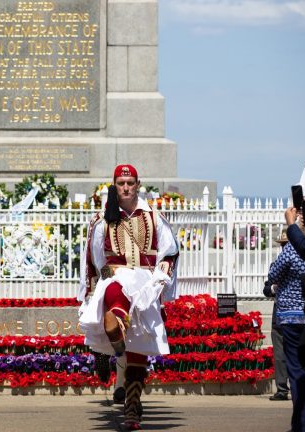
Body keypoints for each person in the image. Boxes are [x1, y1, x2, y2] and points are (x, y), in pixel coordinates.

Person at [78, 164, 179, 430]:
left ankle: (132, 406)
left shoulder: (154, 217)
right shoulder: (102, 220)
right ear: (114, 185)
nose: (126, 187)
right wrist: (92, 290)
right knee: (114, 291)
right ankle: (115, 330)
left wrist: (161, 280)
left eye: (130, 183)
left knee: (139, 350)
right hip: (117, 279)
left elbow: (169, 252)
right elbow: (93, 259)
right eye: (121, 183)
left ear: (138, 184)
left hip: (146, 283)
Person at [268, 233, 305, 432]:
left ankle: (300, 424)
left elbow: (273, 275)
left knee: (298, 372)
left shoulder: (291, 251)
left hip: (291, 316)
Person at [262, 279, 290, 402]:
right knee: (279, 357)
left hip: (299, 319)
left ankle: (299, 388)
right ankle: (282, 389)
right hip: (279, 320)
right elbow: (267, 290)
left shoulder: (304, 265)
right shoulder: (277, 267)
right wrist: (274, 287)